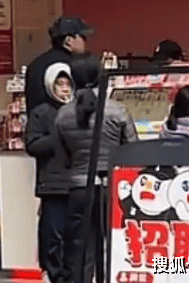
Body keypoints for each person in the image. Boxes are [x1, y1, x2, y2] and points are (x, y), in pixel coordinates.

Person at [55, 55, 138, 283]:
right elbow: (132, 151)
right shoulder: (118, 111)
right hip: (112, 188)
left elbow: (62, 158)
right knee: (116, 243)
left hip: (78, 188)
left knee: (81, 248)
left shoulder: (63, 115)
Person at [26, 64, 74, 283]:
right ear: (49, 86)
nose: (64, 89)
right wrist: (59, 136)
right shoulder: (41, 113)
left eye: (67, 84)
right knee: (52, 233)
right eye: (59, 84)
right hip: (52, 184)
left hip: (77, 182)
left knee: (75, 234)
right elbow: (32, 145)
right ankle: (51, 273)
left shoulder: (79, 111)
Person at [25, 17, 92, 113]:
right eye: (83, 37)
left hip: (37, 121)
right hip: (65, 121)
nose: (85, 41)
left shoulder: (34, 65)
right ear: (69, 40)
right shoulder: (76, 65)